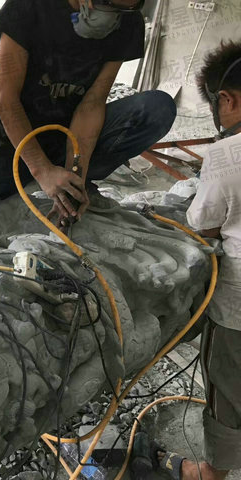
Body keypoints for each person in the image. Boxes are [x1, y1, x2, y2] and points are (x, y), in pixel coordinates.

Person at [0, 0, 177, 251]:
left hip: (72, 135)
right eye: (107, 4)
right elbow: (7, 101)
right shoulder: (28, 7)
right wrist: (41, 170)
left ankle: (74, 183)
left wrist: (76, 175)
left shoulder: (128, 19)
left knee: (157, 108)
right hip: (16, 140)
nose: (112, 15)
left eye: (122, 10)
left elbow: (92, 103)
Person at [154, 40, 241, 480]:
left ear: (227, 100)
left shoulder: (228, 153)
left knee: (229, 386)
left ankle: (210, 473)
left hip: (238, 310)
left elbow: (202, 224)